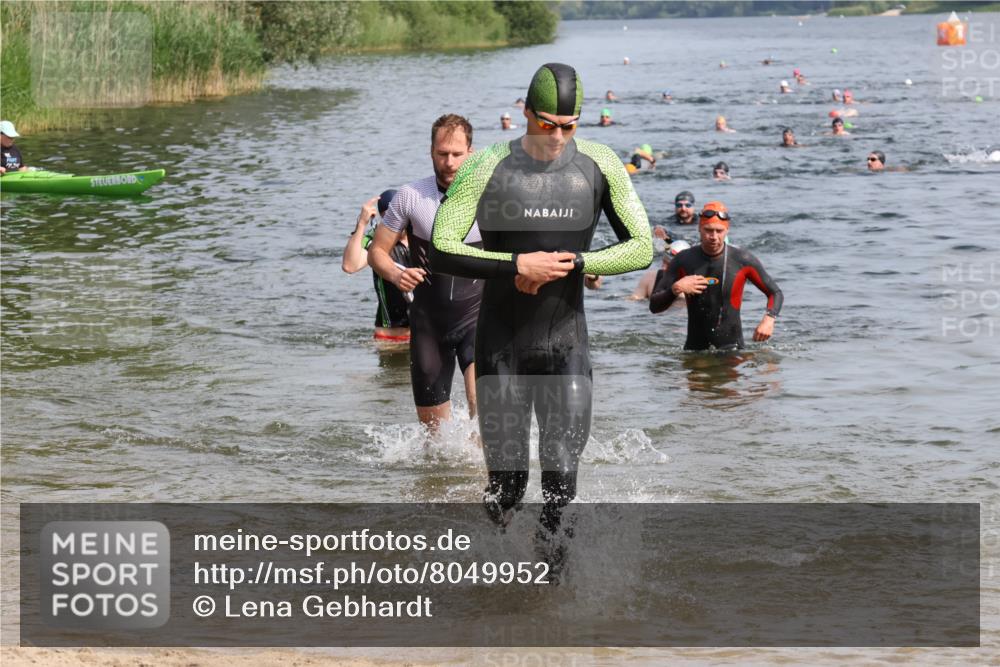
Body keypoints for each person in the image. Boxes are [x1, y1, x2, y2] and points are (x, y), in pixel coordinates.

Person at [430, 62, 653, 535]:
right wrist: (517, 265)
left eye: (569, 126)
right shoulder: (486, 164)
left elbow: (642, 246)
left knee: (562, 486)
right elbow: (442, 248)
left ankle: (553, 576)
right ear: (527, 112)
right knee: (508, 487)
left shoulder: (600, 163)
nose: (557, 137)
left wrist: (575, 263)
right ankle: (496, 569)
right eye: (547, 124)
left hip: (566, 343)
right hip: (502, 344)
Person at [367, 114, 482, 430]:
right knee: (434, 440)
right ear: (431, 151)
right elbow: (376, 252)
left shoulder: (490, 195)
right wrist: (395, 274)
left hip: (478, 317)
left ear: (470, 152)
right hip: (429, 324)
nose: (449, 162)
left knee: (483, 409)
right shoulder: (411, 196)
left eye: (457, 154)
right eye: (442, 153)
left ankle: (484, 463)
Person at [650, 201, 782, 350]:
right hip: (694, 351)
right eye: (708, 230)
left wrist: (769, 318)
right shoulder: (683, 260)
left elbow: (775, 293)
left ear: (727, 230)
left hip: (733, 350)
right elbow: (654, 306)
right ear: (699, 228)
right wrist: (675, 289)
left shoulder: (742, 259)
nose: (713, 236)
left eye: (719, 231)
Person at [342, 190, 410, 343]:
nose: (396, 222)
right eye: (389, 217)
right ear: (382, 219)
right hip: (389, 337)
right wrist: (361, 224)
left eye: (399, 215)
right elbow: (349, 266)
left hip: (425, 333)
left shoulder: (420, 234)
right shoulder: (376, 240)